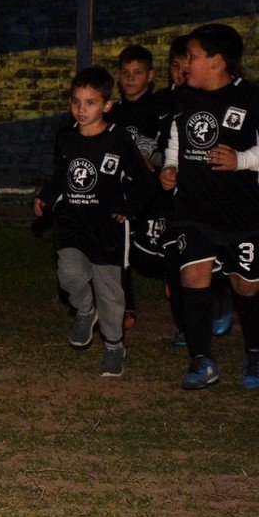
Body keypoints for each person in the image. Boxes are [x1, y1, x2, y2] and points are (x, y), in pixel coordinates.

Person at [160, 23, 259, 389]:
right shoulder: (184, 97)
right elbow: (177, 138)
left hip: (241, 212)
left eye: (192, 57)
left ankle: (255, 355)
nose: (184, 65)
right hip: (193, 209)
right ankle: (201, 360)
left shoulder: (254, 99)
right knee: (193, 277)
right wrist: (171, 167)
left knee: (247, 286)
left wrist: (240, 160)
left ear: (217, 61)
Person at [34, 67, 151, 377]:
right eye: (76, 102)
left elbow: (143, 180)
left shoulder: (119, 139)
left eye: (90, 103)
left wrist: (129, 207)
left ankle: (114, 345)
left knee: (110, 290)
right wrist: (45, 196)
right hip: (72, 222)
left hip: (108, 227)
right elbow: (61, 174)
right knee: (69, 274)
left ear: (107, 105)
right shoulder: (66, 137)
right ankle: (86, 310)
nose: (81, 110)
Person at [108, 45, 164, 329]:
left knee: (150, 255)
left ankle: (186, 289)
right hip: (123, 192)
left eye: (137, 73)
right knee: (119, 248)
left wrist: (153, 160)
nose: (130, 79)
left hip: (155, 193)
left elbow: (171, 150)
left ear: (150, 76)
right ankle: (126, 305)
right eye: (125, 73)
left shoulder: (160, 111)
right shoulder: (113, 113)